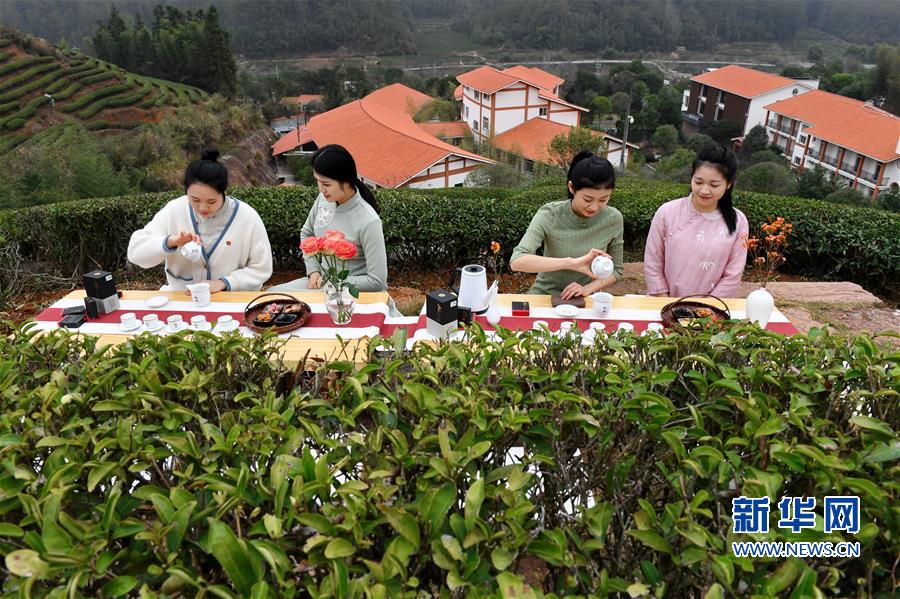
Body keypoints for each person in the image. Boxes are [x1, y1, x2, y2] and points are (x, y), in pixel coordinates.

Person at [127, 147, 273, 292]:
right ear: (186, 191)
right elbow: (136, 252)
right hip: (183, 300)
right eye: (195, 199)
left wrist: (225, 283)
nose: (202, 207)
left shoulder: (247, 217)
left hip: (230, 300)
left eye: (211, 201)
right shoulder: (174, 210)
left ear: (224, 192)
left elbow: (261, 267)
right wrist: (171, 242)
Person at [270, 144, 387, 292]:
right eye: (317, 181)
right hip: (321, 283)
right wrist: (313, 271)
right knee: (272, 295)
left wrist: (333, 282)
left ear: (346, 181)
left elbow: (377, 281)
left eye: (326, 184)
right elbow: (307, 233)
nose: (320, 189)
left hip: (354, 293)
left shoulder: (369, 220)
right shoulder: (323, 200)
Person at [510, 151, 624, 298]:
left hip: (585, 301)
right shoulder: (550, 214)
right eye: (588, 199)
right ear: (571, 187)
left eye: (603, 200)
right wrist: (571, 263)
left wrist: (587, 288)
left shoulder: (613, 218)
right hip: (544, 297)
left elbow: (617, 270)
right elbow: (517, 261)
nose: (594, 207)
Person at [643, 144, 749, 298]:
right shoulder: (667, 212)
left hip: (710, 312)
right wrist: (664, 302)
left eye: (714, 185)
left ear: (729, 184)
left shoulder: (738, 222)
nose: (704, 190)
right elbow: (653, 260)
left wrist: (705, 309)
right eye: (698, 182)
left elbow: (733, 274)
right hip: (663, 304)